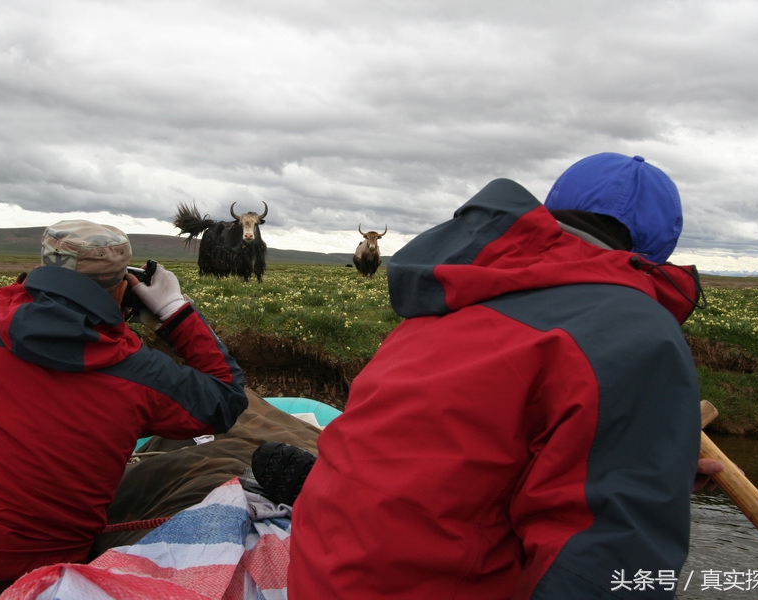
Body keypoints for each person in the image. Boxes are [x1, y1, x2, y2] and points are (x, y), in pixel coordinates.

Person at [289, 153, 709, 599]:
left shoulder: (459, 286)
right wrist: (650, 473)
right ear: (659, 246)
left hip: (321, 572)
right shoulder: (636, 330)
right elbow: (607, 563)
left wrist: (651, 458)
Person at [0, 220, 248, 599]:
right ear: (121, 287)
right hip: (37, 580)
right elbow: (225, 399)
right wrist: (173, 309)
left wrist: (33, 296)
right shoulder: (139, 373)